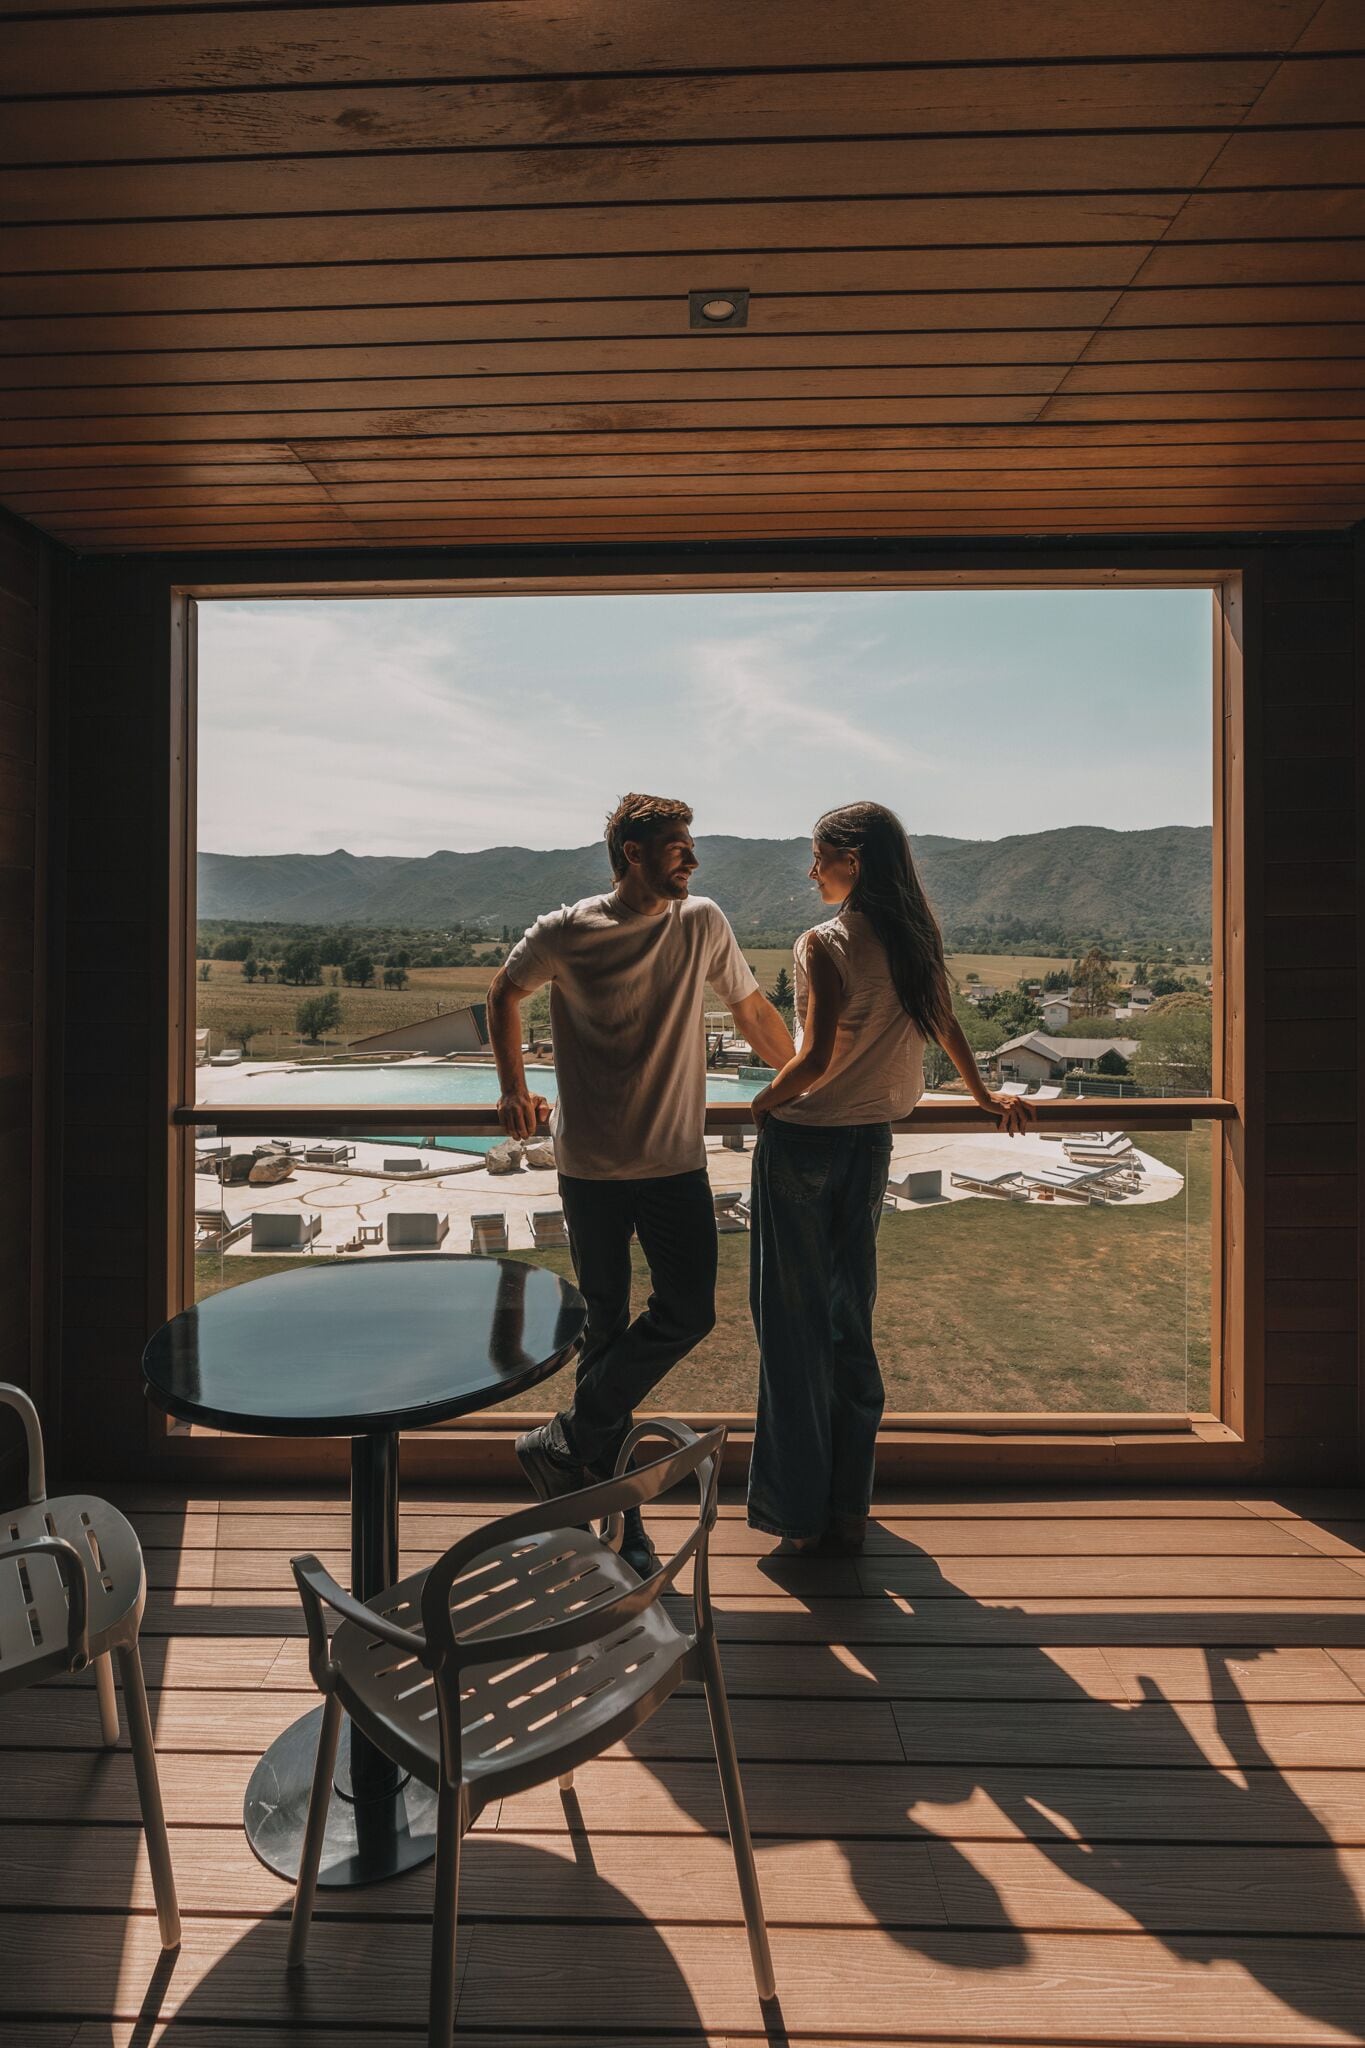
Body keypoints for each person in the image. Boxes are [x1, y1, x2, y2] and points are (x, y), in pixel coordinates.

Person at [487, 792, 796, 1576]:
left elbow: (752, 1008)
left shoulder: (701, 923)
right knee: (606, 1330)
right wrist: (512, 1089)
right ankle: (622, 1525)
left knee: (688, 1310)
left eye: (690, 845)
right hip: (589, 1165)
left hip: (671, 1162)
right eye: (676, 845)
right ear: (632, 852)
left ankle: (565, 1439)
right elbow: (502, 993)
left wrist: (800, 1076)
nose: (691, 857)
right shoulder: (567, 931)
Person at [745, 800, 1030, 1555]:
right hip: (871, 1143)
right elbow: (942, 1023)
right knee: (848, 1322)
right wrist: (979, 1094)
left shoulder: (824, 942)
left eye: (818, 856)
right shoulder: (913, 938)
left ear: (853, 860)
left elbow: (811, 1060)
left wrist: (762, 1100)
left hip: (805, 1142)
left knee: (789, 1328)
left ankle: (794, 1517)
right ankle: (847, 1509)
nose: (810, 870)